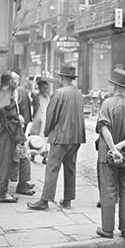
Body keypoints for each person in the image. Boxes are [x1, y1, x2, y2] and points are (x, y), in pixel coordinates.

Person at [27, 65, 86, 211]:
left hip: (61, 136)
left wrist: (47, 132)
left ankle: (45, 200)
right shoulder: (78, 94)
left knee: (52, 168)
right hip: (76, 137)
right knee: (70, 167)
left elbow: (51, 115)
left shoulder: (59, 93)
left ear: (62, 78)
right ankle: (67, 199)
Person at [95, 68, 125, 239]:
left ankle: (107, 229)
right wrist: (122, 146)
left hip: (107, 155)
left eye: (109, 84)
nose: (108, 87)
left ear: (115, 87)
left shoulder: (107, 104)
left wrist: (113, 150)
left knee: (108, 190)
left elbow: (103, 127)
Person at [0, 70, 26, 203]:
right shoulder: (5, 93)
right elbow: (0, 110)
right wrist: (7, 125)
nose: (17, 82)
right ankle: (1, 193)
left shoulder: (5, 92)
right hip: (5, 133)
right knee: (4, 162)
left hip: (5, 132)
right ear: (9, 82)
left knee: (5, 161)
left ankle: (2, 192)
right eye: (16, 80)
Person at [9, 72, 35, 195]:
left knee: (21, 156)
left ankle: (22, 182)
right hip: (13, 131)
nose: (17, 83)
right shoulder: (10, 93)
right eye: (16, 81)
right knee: (23, 157)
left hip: (15, 130)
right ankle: (22, 185)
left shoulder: (13, 92)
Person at [30, 76, 60, 164]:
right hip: (38, 121)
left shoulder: (48, 97)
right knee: (36, 138)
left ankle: (45, 157)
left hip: (46, 120)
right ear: (39, 88)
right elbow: (32, 91)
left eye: (46, 88)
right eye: (43, 88)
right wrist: (35, 79)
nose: (45, 90)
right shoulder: (36, 97)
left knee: (45, 140)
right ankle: (33, 155)